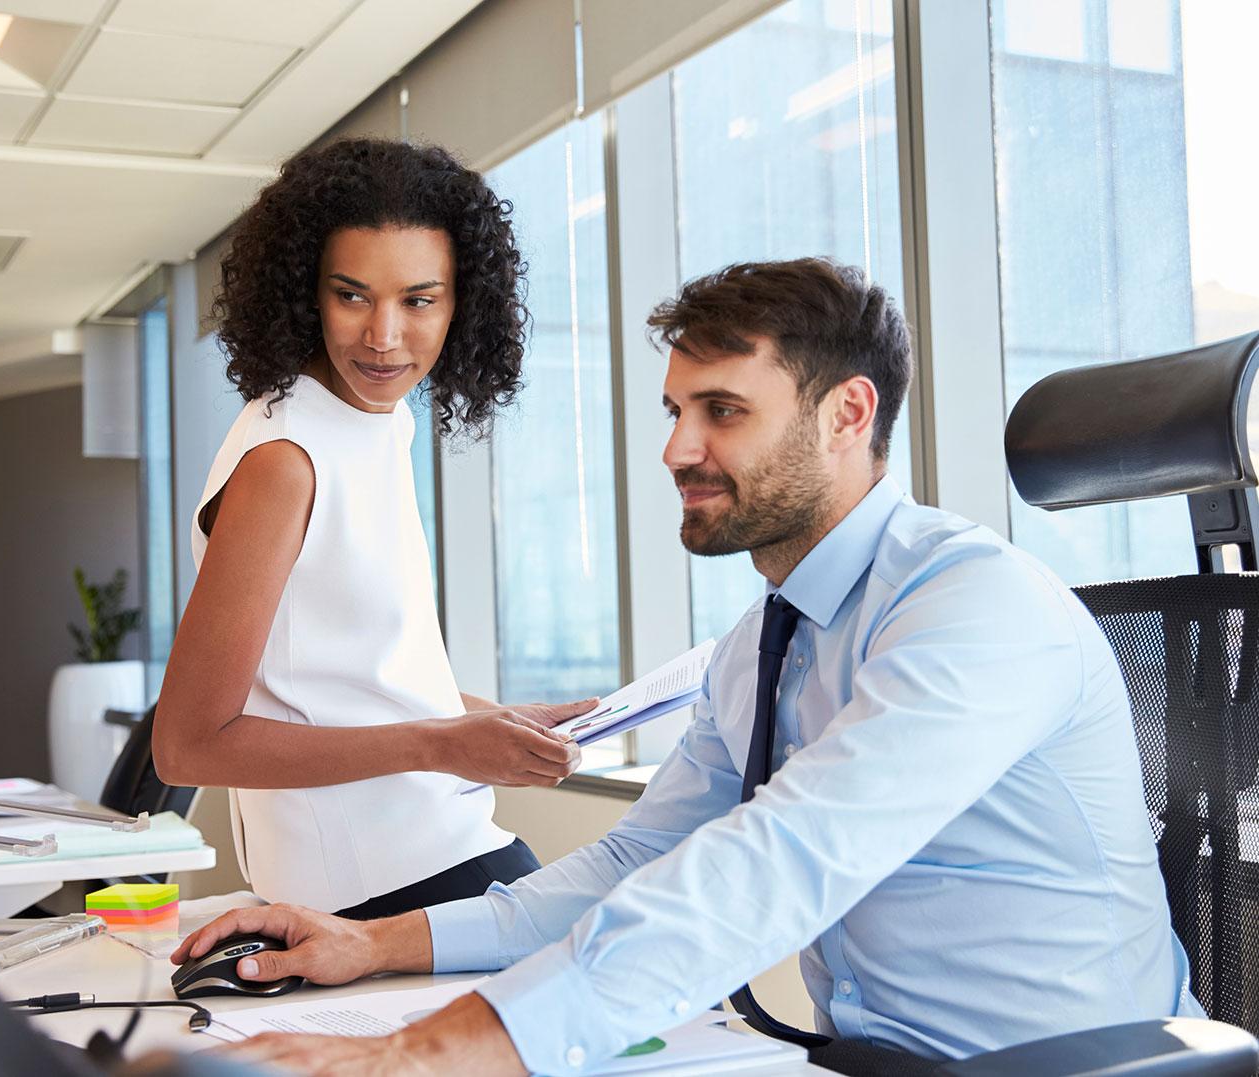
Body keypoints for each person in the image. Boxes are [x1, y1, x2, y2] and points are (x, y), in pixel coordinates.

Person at [170, 258, 1201, 1075]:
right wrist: (373, 944)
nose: (674, 448)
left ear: (846, 415)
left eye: (721, 411)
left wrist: (425, 1055)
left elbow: (787, 857)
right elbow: (635, 865)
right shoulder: (765, 642)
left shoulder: (974, 608)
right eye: (674, 411)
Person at [153, 138, 594, 920]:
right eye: (352, 296)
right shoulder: (285, 459)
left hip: (440, 849)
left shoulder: (378, 421)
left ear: (463, 303)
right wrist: (440, 742)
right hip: (382, 892)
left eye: (419, 300)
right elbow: (189, 742)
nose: (384, 336)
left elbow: (340, 673)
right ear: (305, 293)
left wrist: (485, 718)